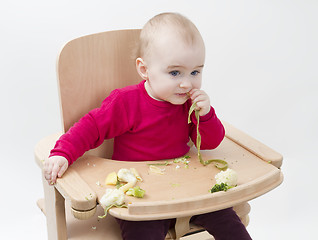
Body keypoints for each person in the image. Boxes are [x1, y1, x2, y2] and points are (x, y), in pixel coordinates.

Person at [44, 12, 252, 240]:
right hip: (142, 197)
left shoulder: (189, 104)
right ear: (144, 70)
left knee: (229, 221)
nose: (186, 82)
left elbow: (211, 143)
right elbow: (91, 127)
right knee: (142, 234)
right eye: (175, 72)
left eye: (195, 72)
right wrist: (63, 153)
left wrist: (207, 115)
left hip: (188, 189)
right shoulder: (126, 102)